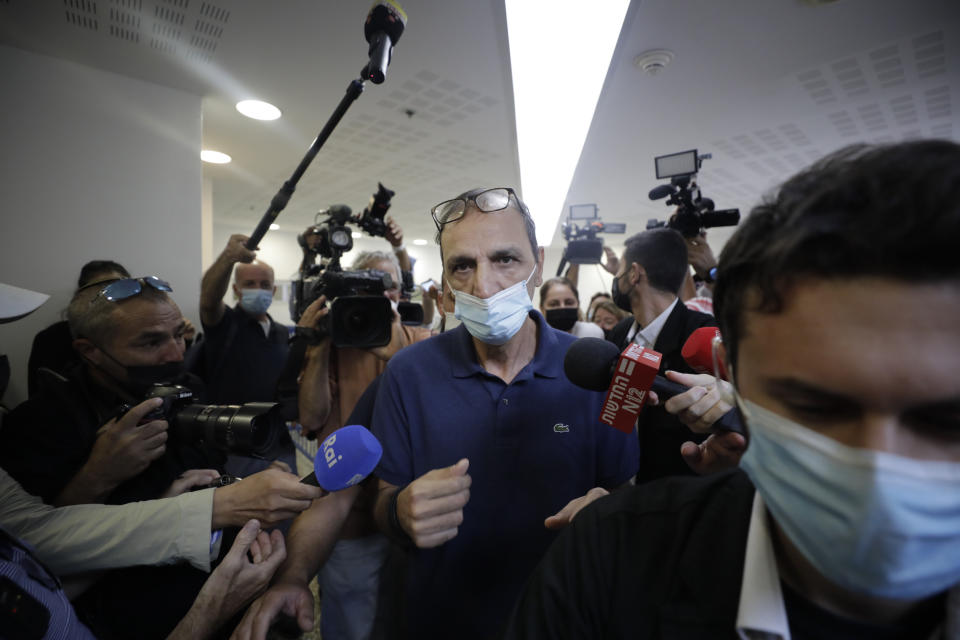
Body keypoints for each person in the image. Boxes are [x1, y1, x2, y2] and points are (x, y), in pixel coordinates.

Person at [503, 139, 960, 639]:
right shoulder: (607, 557)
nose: (879, 472)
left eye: (947, 421)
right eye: (812, 406)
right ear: (731, 370)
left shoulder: (694, 335)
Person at [0, 276, 324, 638]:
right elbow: (36, 551)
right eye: (151, 342)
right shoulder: (42, 422)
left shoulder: (189, 389)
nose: (175, 353)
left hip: (228, 596)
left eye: (177, 334)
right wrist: (98, 476)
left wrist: (243, 495)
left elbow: (209, 477)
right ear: (90, 350)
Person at [293, 248, 431, 640]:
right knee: (352, 621)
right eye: (366, 287)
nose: (379, 296)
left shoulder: (422, 340)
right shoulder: (334, 347)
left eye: (386, 286)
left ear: (400, 294)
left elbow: (436, 401)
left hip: (414, 510)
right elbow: (310, 418)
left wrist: (395, 354)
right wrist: (318, 348)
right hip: (348, 516)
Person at [607, 228, 718, 481]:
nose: (616, 278)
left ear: (634, 274)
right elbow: (619, 416)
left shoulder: (703, 336)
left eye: (619, 270)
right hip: (622, 487)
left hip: (679, 493)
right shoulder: (620, 334)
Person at [199, 235, 296, 476]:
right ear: (235, 289)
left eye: (264, 285)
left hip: (277, 444)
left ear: (273, 290)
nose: (258, 290)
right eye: (249, 284)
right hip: (234, 449)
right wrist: (228, 258)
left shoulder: (281, 332)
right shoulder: (225, 324)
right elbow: (209, 302)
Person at [27, 259, 130, 397]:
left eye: (120, 287)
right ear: (81, 296)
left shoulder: (149, 332)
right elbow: (39, 399)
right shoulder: (52, 339)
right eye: (100, 290)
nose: (111, 297)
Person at [538, 276, 604, 338]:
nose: (562, 307)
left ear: (578, 305)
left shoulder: (593, 333)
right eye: (554, 304)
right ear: (542, 308)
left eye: (569, 303)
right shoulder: (535, 336)